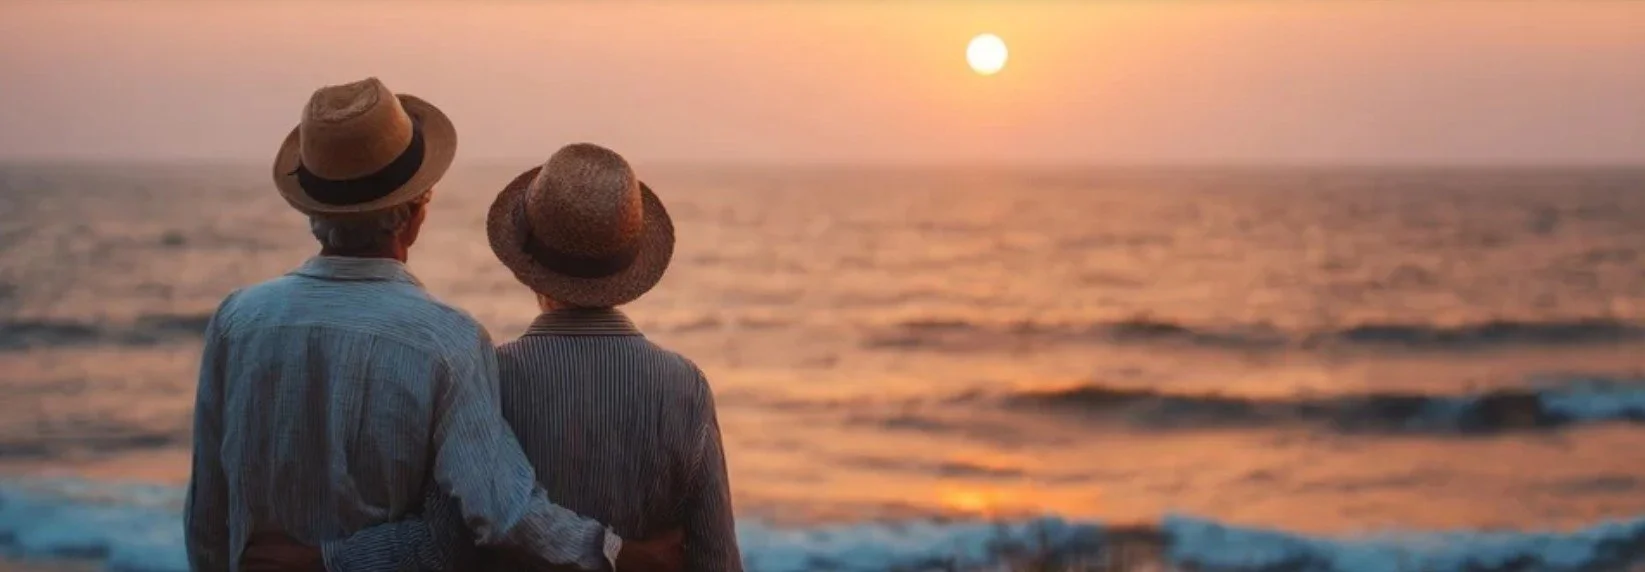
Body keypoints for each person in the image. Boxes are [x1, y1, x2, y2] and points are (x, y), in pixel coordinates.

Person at [186, 78, 680, 572]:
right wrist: (623, 555)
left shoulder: (237, 320)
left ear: (313, 208)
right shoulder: (446, 342)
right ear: (416, 211)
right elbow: (501, 514)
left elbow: (208, 515)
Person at [257, 143, 743, 572]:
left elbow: (444, 547)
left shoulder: (489, 375)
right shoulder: (685, 386)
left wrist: (326, 559)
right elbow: (717, 560)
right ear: (631, 262)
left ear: (526, 269)